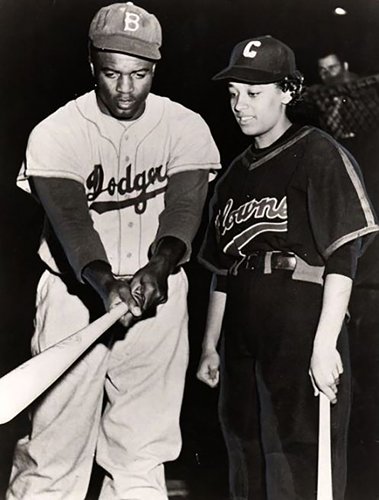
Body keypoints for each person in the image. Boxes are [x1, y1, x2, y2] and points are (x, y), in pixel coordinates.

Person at [6, 2, 221, 499]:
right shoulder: (56, 132)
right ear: (92, 64)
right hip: (74, 295)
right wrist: (105, 284)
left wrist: (161, 266)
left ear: (155, 69)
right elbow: (72, 226)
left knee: (143, 451)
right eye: (112, 73)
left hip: (158, 293)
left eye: (139, 74)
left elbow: (185, 209)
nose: (126, 89)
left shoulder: (184, 125)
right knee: (55, 451)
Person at [196, 35, 378, 500]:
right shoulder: (234, 175)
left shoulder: (318, 151)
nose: (241, 105)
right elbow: (221, 267)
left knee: (297, 456)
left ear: (288, 91)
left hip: (298, 314)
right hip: (241, 323)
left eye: (254, 93)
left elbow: (343, 253)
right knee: (245, 451)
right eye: (234, 93)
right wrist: (209, 346)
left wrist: (325, 343)